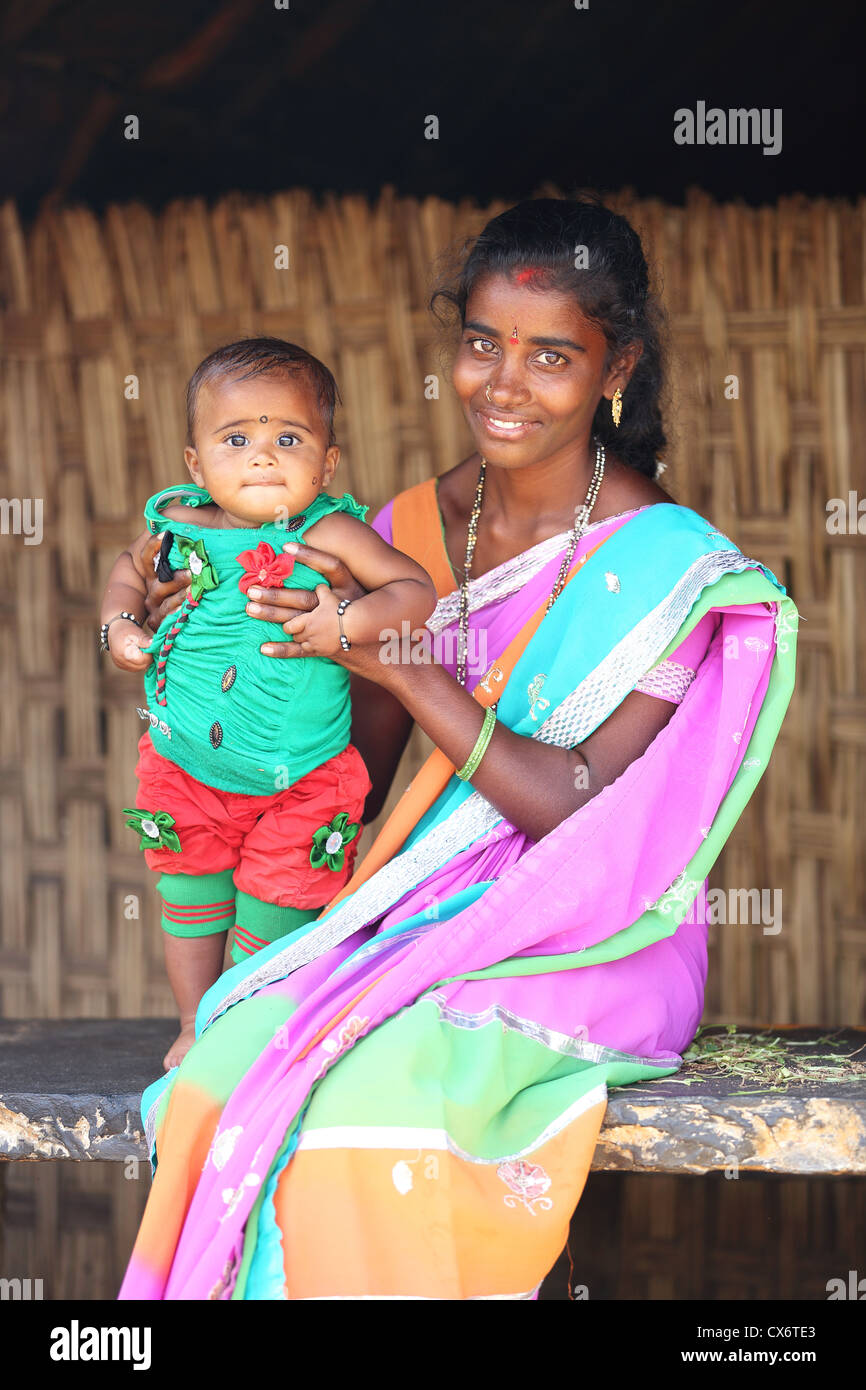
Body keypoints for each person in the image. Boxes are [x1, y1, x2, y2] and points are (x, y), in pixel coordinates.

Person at [118, 195, 798, 1300]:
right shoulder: (395, 533)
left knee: (371, 1106)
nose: (503, 382)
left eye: (549, 355)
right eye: (481, 345)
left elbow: (572, 810)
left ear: (613, 365)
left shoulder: (671, 570)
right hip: (400, 913)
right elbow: (359, 775)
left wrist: (403, 663)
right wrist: (225, 673)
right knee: (224, 1071)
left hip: (582, 939)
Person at [100, 339, 436, 1068]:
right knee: (189, 899)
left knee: (275, 909)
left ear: (328, 462)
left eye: (288, 438)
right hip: (184, 763)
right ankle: (194, 1025)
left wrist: (342, 625)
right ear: (195, 463)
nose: (262, 457)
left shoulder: (328, 531)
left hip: (300, 781)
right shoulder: (180, 525)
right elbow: (127, 571)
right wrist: (120, 623)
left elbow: (416, 594)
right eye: (236, 439)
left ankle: (246, 1028)